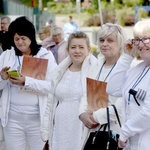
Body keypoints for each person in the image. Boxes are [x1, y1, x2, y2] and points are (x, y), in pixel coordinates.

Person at [0, 16, 57, 150]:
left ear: (31, 37)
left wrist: (27, 81)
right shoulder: (7, 56)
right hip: (12, 119)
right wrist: (2, 78)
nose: (20, 42)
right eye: (17, 39)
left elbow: (52, 87)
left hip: (37, 119)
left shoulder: (45, 56)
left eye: (23, 38)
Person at [40, 31, 98, 150]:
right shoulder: (60, 71)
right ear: (68, 49)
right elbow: (50, 103)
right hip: (59, 126)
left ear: (88, 49)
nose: (77, 51)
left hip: (80, 127)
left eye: (81, 47)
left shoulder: (95, 71)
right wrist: (46, 132)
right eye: (73, 47)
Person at [79, 23, 127, 150]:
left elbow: (123, 105)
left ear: (120, 43)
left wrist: (96, 117)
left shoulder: (127, 68)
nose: (104, 44)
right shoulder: (96, 64)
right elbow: (86, 93)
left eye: (110, 40)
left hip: (113, 131)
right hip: (92, 130)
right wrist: (82, 114)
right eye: (101, 40)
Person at [106, 20, 150, 150]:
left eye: (145, 39)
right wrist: (126, 57)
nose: (140, 44)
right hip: (131, 143)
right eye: (137, 39)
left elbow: (148, 112)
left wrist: (125, 132)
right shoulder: (137, 69)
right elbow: (112, 89)